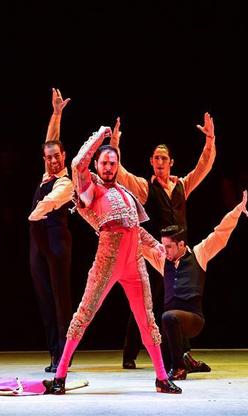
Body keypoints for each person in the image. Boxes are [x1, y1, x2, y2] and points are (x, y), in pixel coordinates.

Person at [48, 125, 181, 394]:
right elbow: (76, 163)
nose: (109, 167)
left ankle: (161, 378)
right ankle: (60, 375)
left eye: (113, 163)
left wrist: (156, 245)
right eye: (105, 163)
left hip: (134, 263)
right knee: (84, 314)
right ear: (97, 164)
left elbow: (134, 227)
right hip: (107, 261)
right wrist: (99, 136)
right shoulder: (91, 188)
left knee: (147, 320)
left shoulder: (124, 192)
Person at [110, 113, 216, 369]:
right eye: (156, 158)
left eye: (163, 158)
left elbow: (204, 166)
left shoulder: (182, 185)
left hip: (180, 258)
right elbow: (122, 175)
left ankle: (184, 356)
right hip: (156, 255)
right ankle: (129, 353)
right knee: (145, 302)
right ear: (151, 162)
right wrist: (115, 146)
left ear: (170, 163)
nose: (159, 162)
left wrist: (210, 139)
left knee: (182, 304)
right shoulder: (147, 187)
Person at [143, 191, 248, 380]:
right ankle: (186, 362)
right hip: (172, 324)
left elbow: (220, 233)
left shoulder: (199, 254)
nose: (164, 250)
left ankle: (180, 369)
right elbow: (138, 246)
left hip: (193, 320)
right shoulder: (162, 260)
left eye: (168, 247)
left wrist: (236, 211)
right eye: (163, 245)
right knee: (162, 347)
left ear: (181, 244)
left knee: (168, 317)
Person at [28, 88, 74, 372]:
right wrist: (56, 114)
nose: (53, 160)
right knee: (44, 299)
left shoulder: (65, 182)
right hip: (37, 246)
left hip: (57, 243)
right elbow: (49, 140)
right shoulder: (46, 173)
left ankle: (64, 355)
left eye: (57, 156)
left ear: (64, 156)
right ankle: (53, 353)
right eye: (49, 157)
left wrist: (36, 211)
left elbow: (50, 202)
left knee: (60, 300)